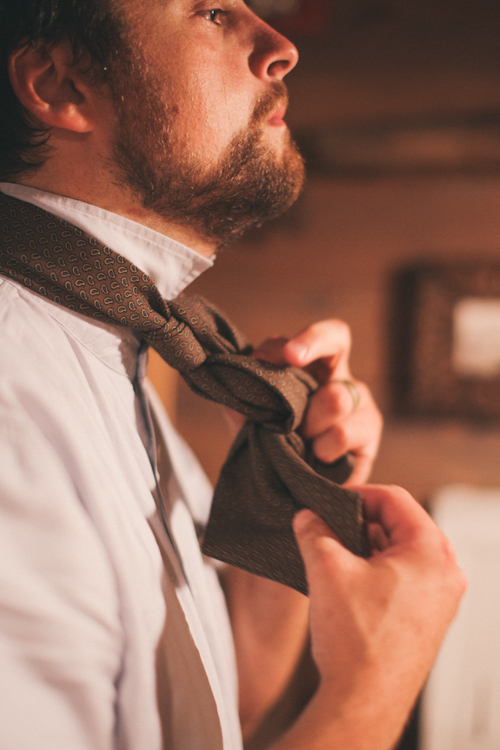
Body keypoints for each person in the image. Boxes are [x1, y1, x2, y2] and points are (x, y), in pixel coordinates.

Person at [0, 1, 465, 749]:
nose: (282, 48)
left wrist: (289, 476)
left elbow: (221, 707)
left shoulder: (119, 349)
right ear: (60, 86)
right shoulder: (12, 404)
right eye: (213, 11)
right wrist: (379, 683)